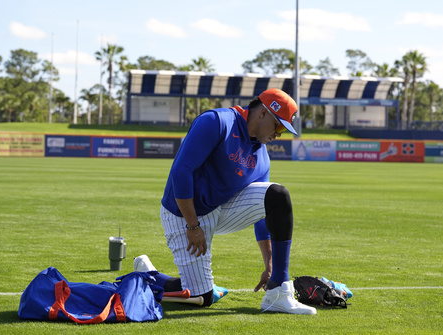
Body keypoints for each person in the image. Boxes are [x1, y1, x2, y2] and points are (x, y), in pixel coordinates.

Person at [134, 88, 316, 315]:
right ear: (263, 114)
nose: (279, 134)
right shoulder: (217, 121)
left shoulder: (262, 157)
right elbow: (181, 172)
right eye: (279, 126)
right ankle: (148, 276)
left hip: (220, 208)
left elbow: (263, 214)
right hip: (184, 213)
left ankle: (278, 290)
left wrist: (269, 264)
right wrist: (192, 225)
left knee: (277, 196)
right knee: (201, 296)